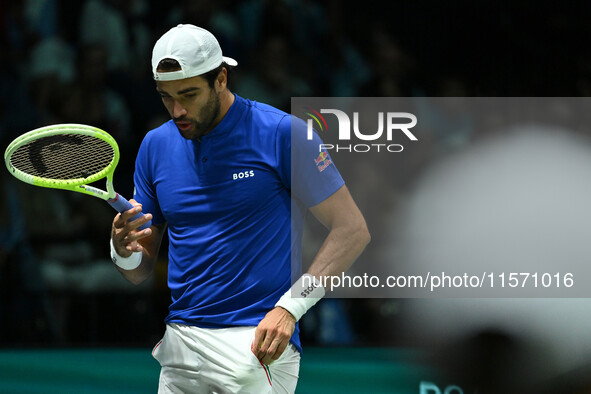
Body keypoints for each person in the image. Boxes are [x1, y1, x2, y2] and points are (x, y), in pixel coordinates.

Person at [110, 24, 370, 393]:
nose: (177, 109)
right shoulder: (154, 146)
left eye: (188, 94)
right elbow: (139, 271)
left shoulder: (283, 132)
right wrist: (121, 252)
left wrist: (291, 309)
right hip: (180, 346)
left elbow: (352, 230)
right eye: (165, 96)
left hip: (256, 344)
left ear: (221, 79)